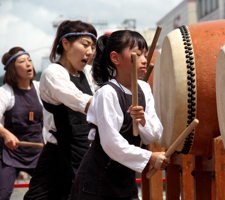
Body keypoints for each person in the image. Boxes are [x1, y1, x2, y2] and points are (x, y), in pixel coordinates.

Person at [70, 30, 170, 200]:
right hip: (99, 179)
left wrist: (143, 120)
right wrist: (149, 157)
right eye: (137, 55)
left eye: (145, 54)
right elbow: (111, 143)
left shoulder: (144, 88)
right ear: (115, 58)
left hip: (124, 175)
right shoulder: (107, 93)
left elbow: (154, 134)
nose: (145, 60)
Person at [24, 20, 97, 200]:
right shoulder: (53, 73)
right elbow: (81, 101)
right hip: (58, 151)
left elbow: (103, 93)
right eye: (85, 45)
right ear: (65, 44)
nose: (90, 52)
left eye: (93, 47)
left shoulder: (88, 73)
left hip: (84, 150)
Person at [0, 47, 44, 200]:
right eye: (22, 61)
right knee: (3, 193)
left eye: (29, 60)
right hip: (9, 154)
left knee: (48, 191)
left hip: (37, 152)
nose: (28, 64)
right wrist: (5, 134)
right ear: (12, 69)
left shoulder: (40, 89)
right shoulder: (5, 92)